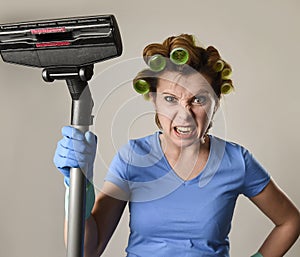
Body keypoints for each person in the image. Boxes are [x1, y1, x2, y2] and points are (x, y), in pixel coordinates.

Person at [53, 34, 300, 257]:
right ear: (154, 100)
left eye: (198, 100)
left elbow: (290, 221)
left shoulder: (236, 160)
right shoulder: (133, 157)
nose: (184, 115)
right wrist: (78, 185)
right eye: (170, 99)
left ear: (216, 104)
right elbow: (87, 250)